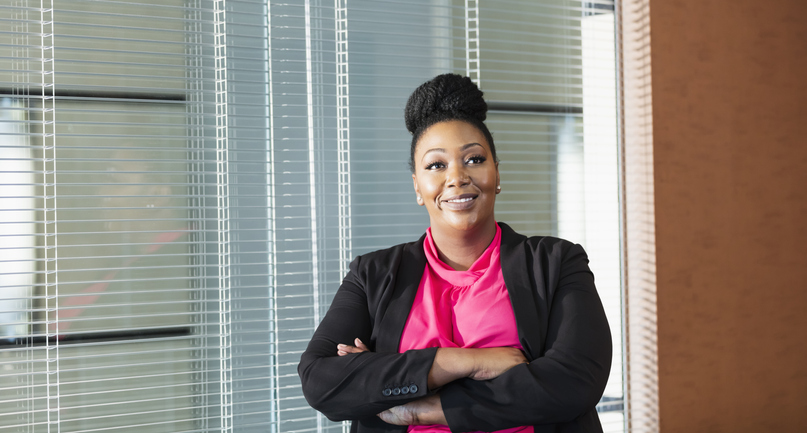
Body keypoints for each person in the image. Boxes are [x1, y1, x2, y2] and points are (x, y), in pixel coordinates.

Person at [298, 74, 612, 433]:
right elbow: (320, 379)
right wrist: (468, 362)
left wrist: (424, 407)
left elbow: (575, 380)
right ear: (418, 186)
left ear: (497, 173)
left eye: (474, 159)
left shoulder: (556, 263)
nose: (457, 177)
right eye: (436, 165)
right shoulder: (372, 274)